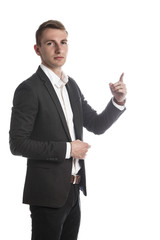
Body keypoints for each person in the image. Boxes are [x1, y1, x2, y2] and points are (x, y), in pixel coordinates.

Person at [9, 20, 127, 240]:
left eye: (63, 42)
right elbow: (17, 144)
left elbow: (97, 124)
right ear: (38, 49)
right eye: (50, 43)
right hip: (46, 196)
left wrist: (117, 101)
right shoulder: (28, 89)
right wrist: (68, 149)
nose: (58, 48)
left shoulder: (71, 85)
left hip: (73, 191)